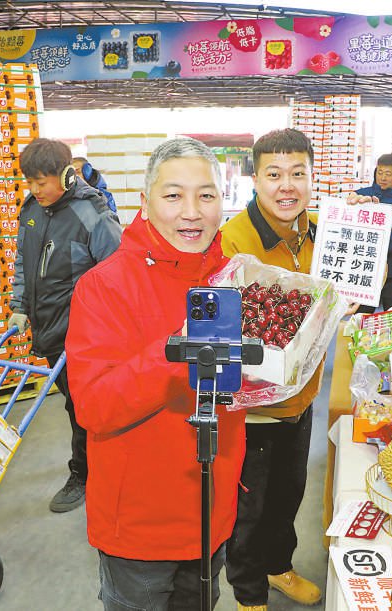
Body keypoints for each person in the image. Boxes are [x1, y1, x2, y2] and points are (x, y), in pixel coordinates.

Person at [64, 138, 244, 609]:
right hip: (140, 527)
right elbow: (94, 407)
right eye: (173, 195)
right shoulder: (103, 287)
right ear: (144, 203)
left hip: (212, 510)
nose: (192, 212)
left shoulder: (234, 280)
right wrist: (175, 351)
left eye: (206, 195)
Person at [219, 128, 323, 611]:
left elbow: (355, 288)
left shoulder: (322, 232)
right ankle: (248, 594)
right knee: (249, 508)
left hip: (301, 400)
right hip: (253, 409)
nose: (287, 186)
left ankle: (279, 567)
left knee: (288, 495)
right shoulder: (234, 240)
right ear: (255, 179)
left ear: (312, 177)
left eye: (298, 173)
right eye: (274, 174)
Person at [8, 138, 122, 513]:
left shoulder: (91, 214)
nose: (35, 189)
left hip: (84, 337)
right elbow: (23, 263)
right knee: (77, 406)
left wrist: (103, 329)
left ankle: (84, 474)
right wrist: (19, 306)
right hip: (49, 331)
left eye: (41, 182)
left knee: (82, 408)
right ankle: (97, 468)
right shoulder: (31, 210)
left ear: (67, 175)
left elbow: (117, 273)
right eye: (29, 182)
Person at [348, 152, 392, 310]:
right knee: (360, 313)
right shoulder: (362, 195)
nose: (383, 178)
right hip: (366, 268)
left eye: (388, 174)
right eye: (380, 172)